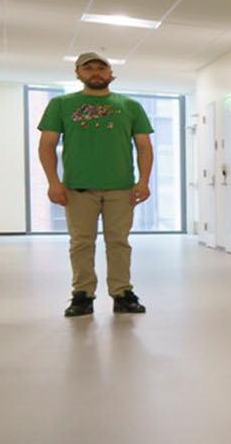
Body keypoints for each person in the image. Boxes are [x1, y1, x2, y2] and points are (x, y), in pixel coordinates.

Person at [37, 52, 154, 317]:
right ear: (78, 73)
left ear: (110, 73)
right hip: (77, 188)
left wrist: (143, 181)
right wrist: (53, 182)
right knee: (81, 242)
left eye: (102, 67)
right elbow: (47, 145)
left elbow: (144, 146)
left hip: (121, 187)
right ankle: (83, 295)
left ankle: (122, 293)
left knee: (119, 242)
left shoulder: (130, 105)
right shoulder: (61, 104)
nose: (96, 72)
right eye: (88, 68)